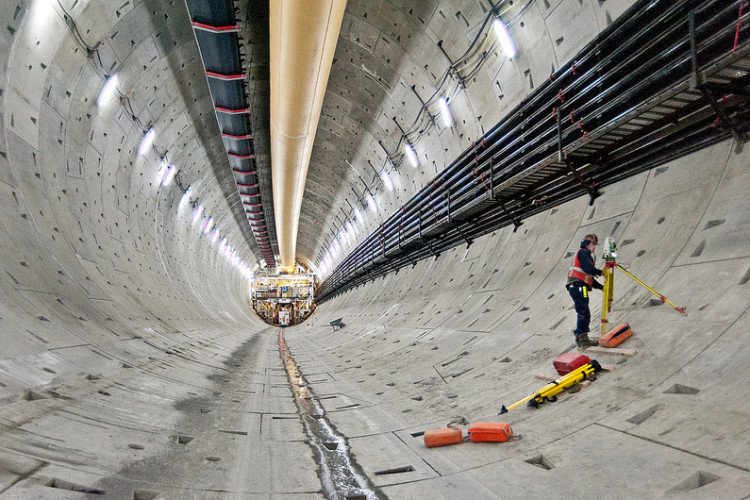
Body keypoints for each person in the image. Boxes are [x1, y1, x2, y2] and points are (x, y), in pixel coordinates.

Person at [566, 233, 604, 347]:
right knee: (584, 312)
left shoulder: (583, 253)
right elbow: (588, 269)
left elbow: (589, 278)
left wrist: (601, 287)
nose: (594, 247)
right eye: (593, 244)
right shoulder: (584, 252)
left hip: (576, 286)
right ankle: (583, 339)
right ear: (587, 243)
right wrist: (600, 272)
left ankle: (580, 338)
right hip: (578, 286)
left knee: (582, 311)